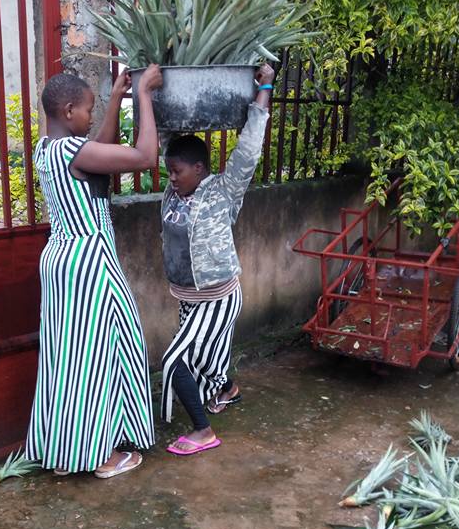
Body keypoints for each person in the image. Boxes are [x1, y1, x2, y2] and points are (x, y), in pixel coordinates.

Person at [25, 64, 163, 478]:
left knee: (69, 359)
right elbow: (144, 157)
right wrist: (143, 96)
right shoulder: (73, 152)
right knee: (100, 357)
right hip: (90, 262)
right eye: (86, 110)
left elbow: (94, 151)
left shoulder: (46, 149)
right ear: (68, 111)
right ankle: (99, 457)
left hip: (61, 260)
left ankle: (67, 451)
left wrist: (115, 98)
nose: (89, 118)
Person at [161, 63, 274, 456]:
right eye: (168, 171)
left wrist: (265, 87)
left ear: (200, 168)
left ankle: (202, 431)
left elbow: (248, 150)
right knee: (208, 358)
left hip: (218, 296)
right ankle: (227, 387)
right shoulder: (173, 195)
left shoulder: (223, 192)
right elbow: (165, 128)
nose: (171, 178)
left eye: (177, 171)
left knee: (175, 361)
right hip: (187, 298)